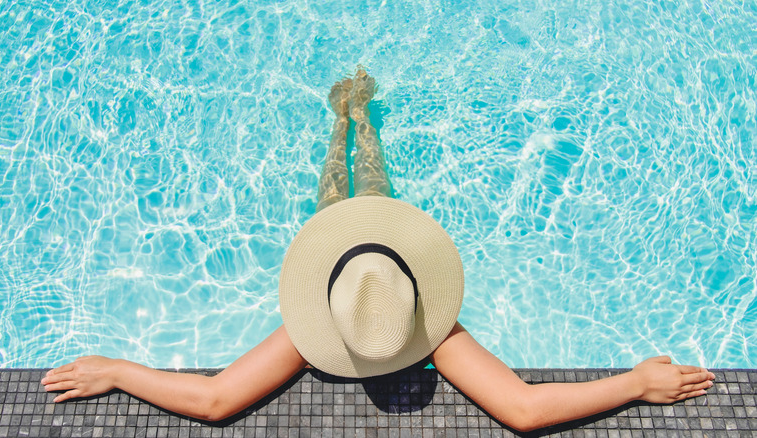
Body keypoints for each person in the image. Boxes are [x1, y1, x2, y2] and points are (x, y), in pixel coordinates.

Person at [41, 68, 715, 432]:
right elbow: (522, 410)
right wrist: (634, 382)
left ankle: (352, 122)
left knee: (346, 191)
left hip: (349, 253)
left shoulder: (320, 331)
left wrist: (121, 369)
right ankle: (349, 122)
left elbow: (218, 401)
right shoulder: (432, 328)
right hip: (373, 250)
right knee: (358, 186)